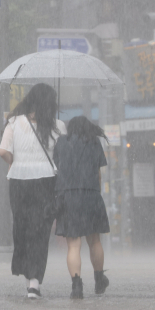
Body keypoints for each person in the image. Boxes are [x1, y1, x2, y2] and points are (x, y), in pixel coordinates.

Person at [0, 83, 66, 299]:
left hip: (19, 182)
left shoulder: (14, 122)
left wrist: (15, 162)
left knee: (22, 228)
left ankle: (29, 279)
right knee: (40, 232)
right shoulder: (58, 127)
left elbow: (3, 151)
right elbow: (61, 156)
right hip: (46, 182)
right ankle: (34, 282)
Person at [53, 115, 110, 299]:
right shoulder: (94, 143)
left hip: (69, 196)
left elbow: (57, 167)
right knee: (94, 241)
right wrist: (94, 193)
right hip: (91, 195)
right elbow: (99, 174)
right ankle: (99, 279)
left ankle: (76, 286)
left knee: (73, 245)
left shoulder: (61, 142)